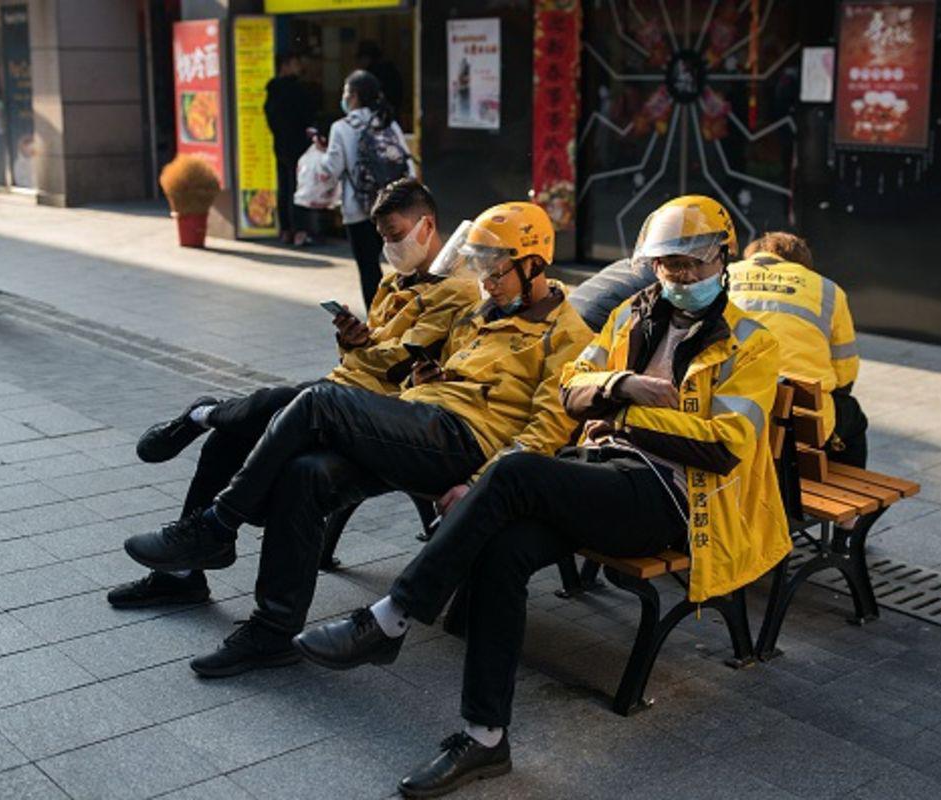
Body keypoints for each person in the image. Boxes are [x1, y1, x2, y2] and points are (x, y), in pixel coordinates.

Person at [294, 196, 793, 798]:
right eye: (668, 265)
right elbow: (570, 391)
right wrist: (621, 384)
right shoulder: (633, 317)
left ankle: (391, 619)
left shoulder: (752, 343)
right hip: (603, 473)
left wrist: (624, 419)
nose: (681, 277)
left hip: (677, 500)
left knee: (514, 474)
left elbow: (725, 445)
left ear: (724, 259)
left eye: (694, 264)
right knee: (503, 550)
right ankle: (484, 737)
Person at [121, 202, 593, 679]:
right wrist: (427, 374)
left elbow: (548, 430)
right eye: (482, 269)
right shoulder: (479, 311)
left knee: (317, 401)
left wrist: (479, 483)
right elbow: (435, 373)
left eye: (497, 270)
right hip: (421, 420)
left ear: (534, 263)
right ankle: (272, 631)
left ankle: (218, 525)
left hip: (465, 442)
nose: (487, 281)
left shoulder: (570, 336)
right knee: (305, 474)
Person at [108, 179, 475, 608]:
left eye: (396, 236)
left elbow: (396, 363)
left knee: (286, 421)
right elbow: (375, 352)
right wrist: (354, 338)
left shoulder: (457, 290)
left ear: (426, 226)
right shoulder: (396, 283)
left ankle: (205, 417)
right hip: (345, 391)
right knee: (233, 436)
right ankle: (187, 570)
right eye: (384, 239)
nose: (391, 247)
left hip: (382, 417)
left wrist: (365, 350)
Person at [729, 232, 866, 467]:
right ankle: (853, 488)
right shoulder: (829, 291)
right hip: (804, 424)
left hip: (735, 412)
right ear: (802, 264)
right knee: (851, 414)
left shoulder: (723, 276)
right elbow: (845, 371)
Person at [313, 70, 414, 309]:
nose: (344, 97)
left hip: (358, 208)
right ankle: (405, 314)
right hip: (393, 206)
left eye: (346, 92)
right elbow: (407, 163)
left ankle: (376, 319)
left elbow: (333, 169)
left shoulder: (342, 127)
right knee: (404, 265)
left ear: (354, 95)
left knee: (368, 268)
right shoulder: (388, 121)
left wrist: (320, 154)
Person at [264, 51, 317, 246]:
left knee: (284, 187)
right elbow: (308, 117)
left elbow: (271, 121)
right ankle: (301, 231)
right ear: (285, 65)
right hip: (300, 147)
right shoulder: (297, 90)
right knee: (300, 189)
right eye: (295, 62)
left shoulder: (272, 91)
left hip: (280, 145)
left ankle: (286, 229)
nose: (299, 66)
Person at [356, 40, 403, 116]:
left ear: (366, 58)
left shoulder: (370, 74)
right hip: (392, 109)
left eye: (361, 59)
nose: (360, 62)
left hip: (377, 112)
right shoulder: (390, 68)